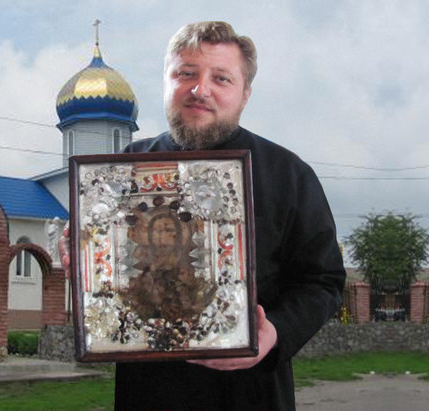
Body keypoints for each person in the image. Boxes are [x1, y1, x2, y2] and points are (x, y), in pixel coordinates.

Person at [60, 21, 345, 410]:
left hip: (252, 394)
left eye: (221, 78)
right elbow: (109, 278)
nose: (200, 89)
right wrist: (84, 262)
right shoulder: (117, 177)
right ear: (166, 82)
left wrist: (275, 332)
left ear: (244, 94)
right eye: (186, 74)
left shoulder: (288, 174)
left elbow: (323, 280)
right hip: (148, 394)